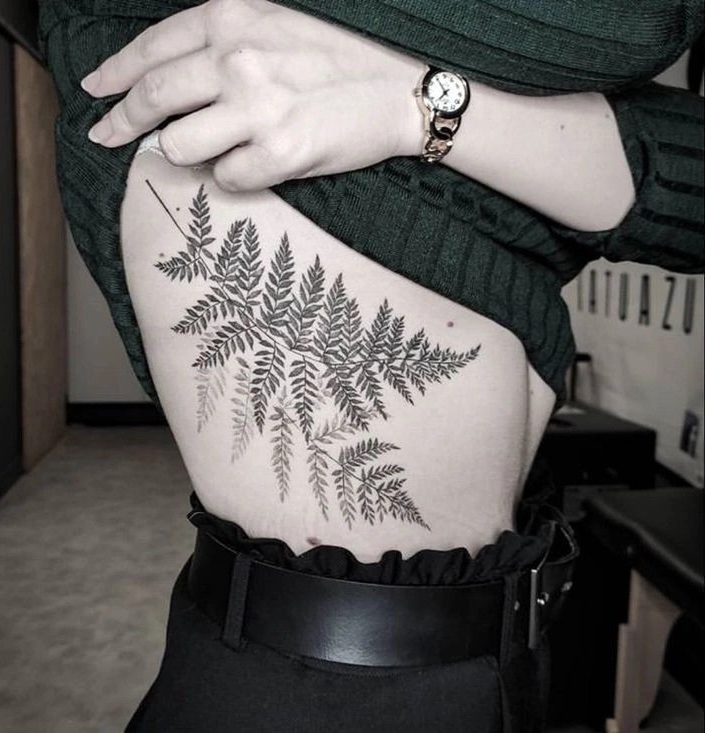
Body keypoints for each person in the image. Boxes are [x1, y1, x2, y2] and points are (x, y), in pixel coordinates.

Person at [38, 1, 704, 730]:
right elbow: (638, 22)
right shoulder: (189, 45)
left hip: (503, 660)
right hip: (318, 686)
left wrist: (419, 108)